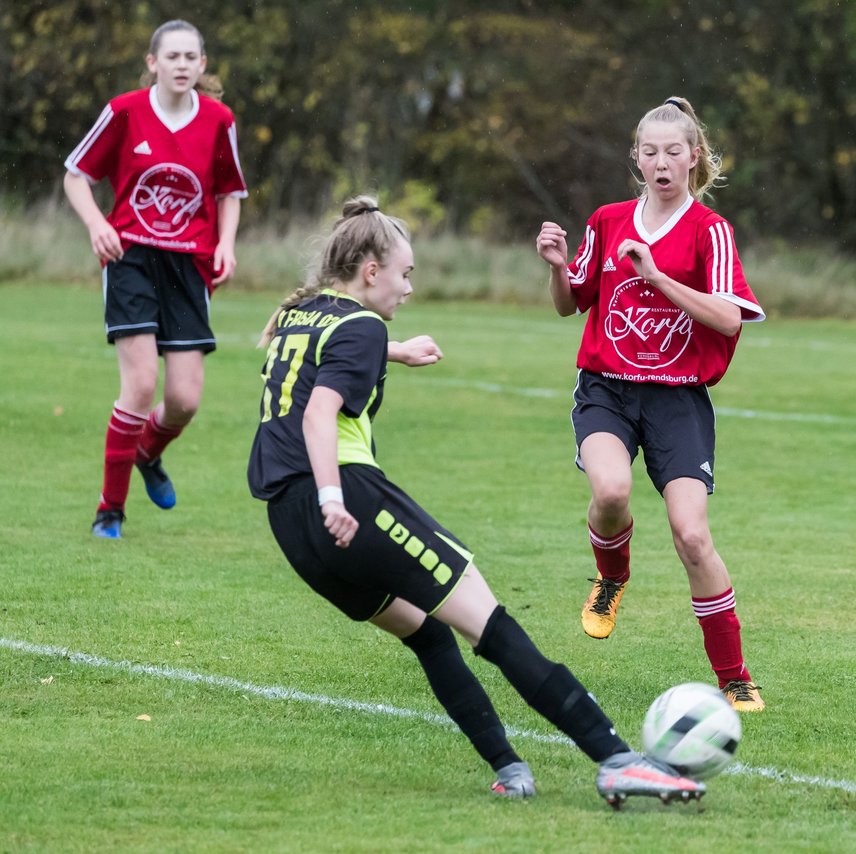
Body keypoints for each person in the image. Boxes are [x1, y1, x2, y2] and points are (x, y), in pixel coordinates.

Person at [248, 196, 704, 805]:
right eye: (405, 274)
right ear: (371, 271)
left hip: (290, 525)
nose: (409, 289)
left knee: (428, 635)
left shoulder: (300, 315)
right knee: (493, 627)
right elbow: (319, 414)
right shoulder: (362, 326)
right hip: (349, 501)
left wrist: (398, 352)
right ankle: (616, 758)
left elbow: (315, 369)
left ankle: (509, 768)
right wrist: (334, 493)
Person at [535, 97, 767, 712]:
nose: (661, 162)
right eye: (649, 152)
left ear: (695, 158)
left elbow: (728, 315)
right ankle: (611, 578)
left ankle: (735, 677)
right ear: (636, 158)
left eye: (673, 152)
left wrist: (659, 277)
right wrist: (559, 269)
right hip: (607, 390)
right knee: (610, 493)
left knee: (692, 535)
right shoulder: (609, 220)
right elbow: (570, 303)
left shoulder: (710, 231)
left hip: (678, 401)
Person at [63, 19, 248, 539]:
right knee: (141, 385)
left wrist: (227, 244)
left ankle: (147, 452)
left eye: (192, 57)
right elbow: (76, 174)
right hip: (132, 258)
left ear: (202, 65)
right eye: (173, 57)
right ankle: (110, 511)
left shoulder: (218, 120)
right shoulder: (125, 112)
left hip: (190, 265)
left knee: (185, 399)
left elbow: (229, 191)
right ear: (153, 63)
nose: (183, 65)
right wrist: (98, 225)